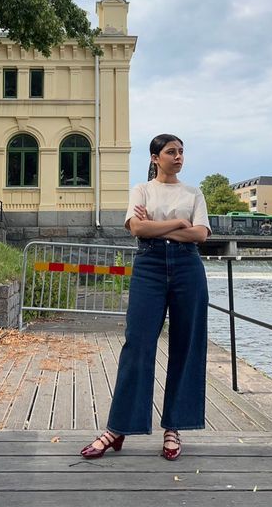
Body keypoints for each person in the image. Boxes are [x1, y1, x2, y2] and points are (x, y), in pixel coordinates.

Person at [81, 133, 211, 461]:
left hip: (188, 267)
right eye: (171, 152)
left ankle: (174, 427)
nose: (178, 156)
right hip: (150, 265)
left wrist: (159, 224)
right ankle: (118, 428)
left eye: (181, 151)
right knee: (137, 344)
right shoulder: (142, 190)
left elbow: (200, 234)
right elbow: (137, 229)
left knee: (187, 344)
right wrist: (179, 222)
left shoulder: (193, 192)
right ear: (155, 157)